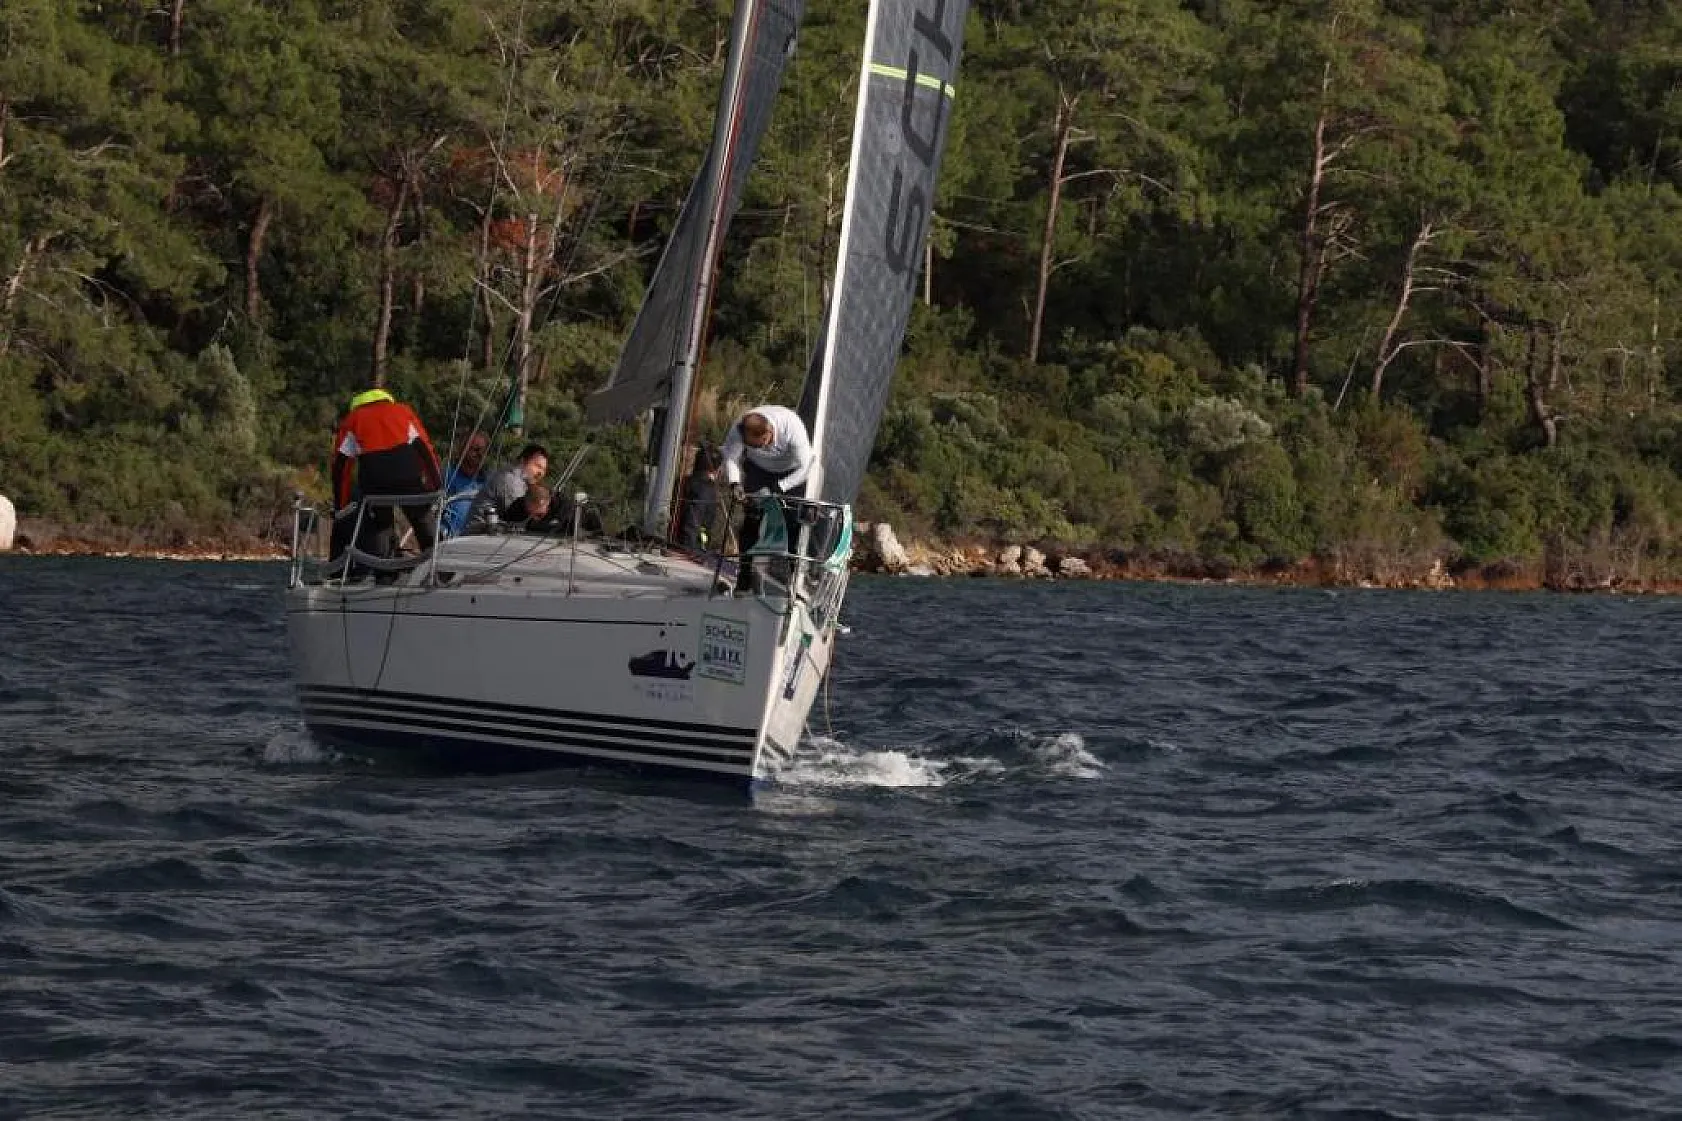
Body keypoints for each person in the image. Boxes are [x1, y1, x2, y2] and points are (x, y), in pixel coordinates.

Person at [329, 388, 442, 563]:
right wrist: (436, 486)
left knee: (381, 525)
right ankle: (441, 562)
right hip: (408, 478)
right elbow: (426, 450)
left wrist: (340, 504)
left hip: (375, 483)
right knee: (422, 519)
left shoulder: (353, 420)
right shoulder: (403, 411)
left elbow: (340, 468)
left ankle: (385, 570)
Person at [718, 405, 813, 589]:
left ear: (768, 433)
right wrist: (735, 483)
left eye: (758, 444)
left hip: (792, 473)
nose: (755, 447)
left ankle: (796, 579)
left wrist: (779, 487)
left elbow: (805, 468)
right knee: (751, 520)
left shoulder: (792, 427)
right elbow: (731, 457)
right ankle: (744, 576)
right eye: (750, 445)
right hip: (758, 469)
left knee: (792, 524)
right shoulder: (740, 427)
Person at [464, 442, 549, 534]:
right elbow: (519, 514)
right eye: (537, 466)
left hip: (493, 534)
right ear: (523, 461)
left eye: (543, 469)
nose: (540, 473)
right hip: (478, 535)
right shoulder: (510, 480)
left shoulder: (522, 482)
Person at [438, 431, 491, 538]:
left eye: (484, 451)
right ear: (462, 450)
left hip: (480, 540)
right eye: (475, 449)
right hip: (450, 540)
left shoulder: (489, 480)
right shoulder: (446, 476)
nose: (480, 454)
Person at [677, 442, 722, 552]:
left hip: (681, 544)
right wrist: (692, 551)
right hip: (689, 550)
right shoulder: (706, 490)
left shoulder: (682, 482)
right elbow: (693, 523)